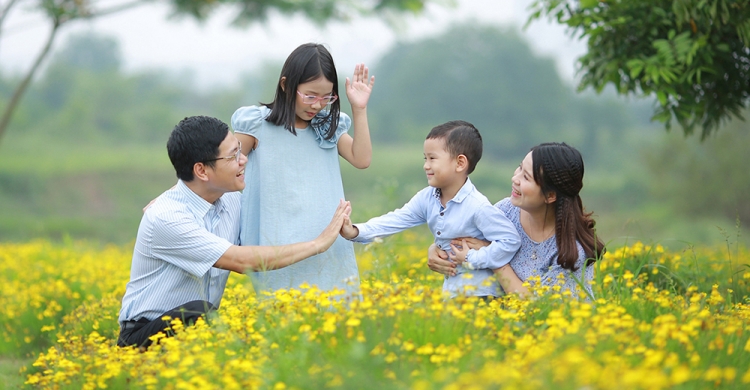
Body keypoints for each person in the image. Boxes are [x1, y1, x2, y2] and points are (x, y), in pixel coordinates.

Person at [117, 116, 351, 348]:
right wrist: (319, 244)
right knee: (201, 311)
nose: (244, 160)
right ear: (201, 170)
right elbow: (241, 260)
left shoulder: (231, 201)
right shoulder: (166, 217)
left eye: (240, 151)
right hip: (146, 334)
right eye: (233, 156)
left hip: (194, 329)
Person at [231, 43, 374, 295]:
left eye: (326, 97)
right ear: (286, 85)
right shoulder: (257, 125)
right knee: (282, 314)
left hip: (328, 242)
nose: (318, 105)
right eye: (310, 96)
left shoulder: (327, 126)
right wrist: (182, 195)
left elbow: (362, 159)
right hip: (279, 240)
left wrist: (359, 109)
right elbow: (222, 166)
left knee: (336, 317)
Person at [340, 120, 522, 298]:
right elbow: (395, 220)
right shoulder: (427, 197)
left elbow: (510, 240)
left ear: (460, 163)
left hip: (481, 295)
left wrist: (471, 258)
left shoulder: (477, 206)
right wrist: (355, 231)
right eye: (425, 158)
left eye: (432, 158)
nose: (426, 165)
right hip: (452, 292)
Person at [428, 142, 605, 298]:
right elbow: (465, 238)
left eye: (526, 177)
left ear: (550, 195)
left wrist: (493, 258)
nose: (515, 179)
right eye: (520, 168)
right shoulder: (505, 211)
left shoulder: (571, 252)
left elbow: (536, 306)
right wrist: (435, 249)